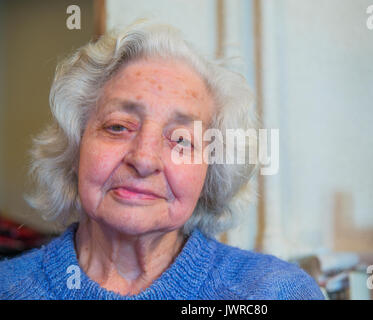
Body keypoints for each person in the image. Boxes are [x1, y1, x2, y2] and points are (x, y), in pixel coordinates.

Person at [0, 21, 324, 300]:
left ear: (210, 174)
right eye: (117, 126)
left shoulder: (274, 291)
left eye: (181, 140)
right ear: (75, 147)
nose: (143, 159)